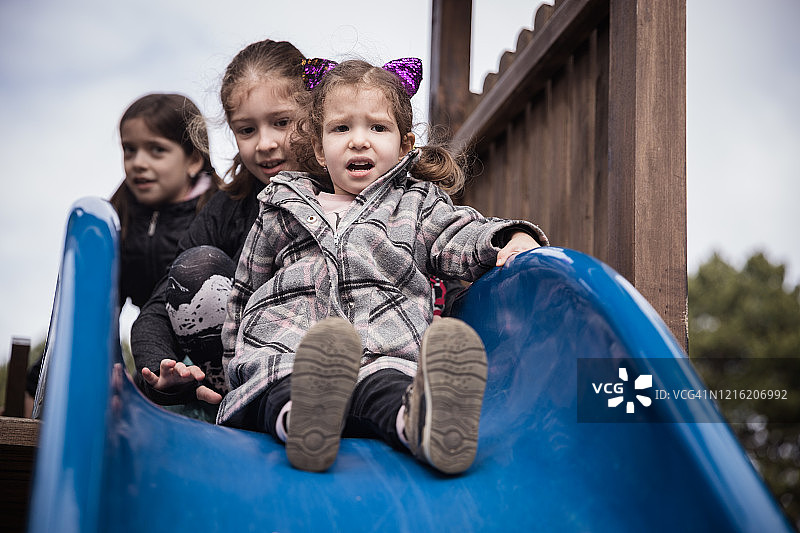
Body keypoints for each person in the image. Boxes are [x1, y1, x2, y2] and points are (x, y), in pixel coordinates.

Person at [218, 58, 549, 474]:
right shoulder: (282, 206)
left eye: (377, 127)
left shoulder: (415, 205)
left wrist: (508, 237)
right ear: (319, 149)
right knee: (279, 382)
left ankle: (422, 426)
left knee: (389, 387)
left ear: (405, 145)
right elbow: (246, 290)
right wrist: (234, 367)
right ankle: (302, 422)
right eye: (341, 128)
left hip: (383, 345)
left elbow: (459, 236)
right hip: (289, 345)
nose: (359, 141)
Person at [129, 39, 309, 416]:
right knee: (197, 265)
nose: (265, 143)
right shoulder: (229, 209)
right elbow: (159, 308)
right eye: (246, 130)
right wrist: (163, 367)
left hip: (323, 360)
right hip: (241, 372)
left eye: (282, 122)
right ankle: (223, 396)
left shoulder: (352, 190)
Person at [24, 93, 221, 416]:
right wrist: (45, 376)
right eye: (130, 150)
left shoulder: (215, 212)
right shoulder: (120, 218)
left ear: (193, 160)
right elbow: (99, 307)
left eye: (157, 150)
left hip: (209, 346)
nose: (138, 162)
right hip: (153, 352)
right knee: (56, 371)